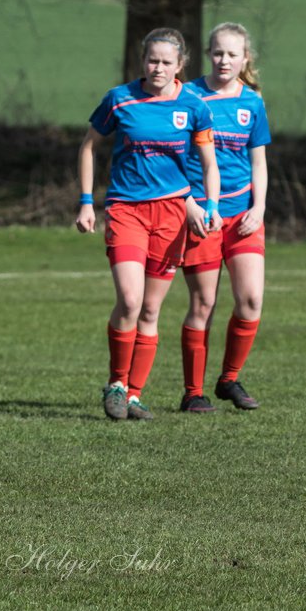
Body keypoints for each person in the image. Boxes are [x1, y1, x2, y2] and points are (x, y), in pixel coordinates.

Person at [76, 27, 221, 420]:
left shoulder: (194, 105)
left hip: (172, 215)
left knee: (151, 311)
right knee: (129, 299)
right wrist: (88, 201)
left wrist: (211, 206)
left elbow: (208, 162)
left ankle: (135, 393)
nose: (157, 68)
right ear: (143, 61)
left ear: (181, 66)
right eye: (151, 60)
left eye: (166, 62)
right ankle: (117, 384)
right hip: (126, 210)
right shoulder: (119, 100)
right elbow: (89, 146)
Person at [177, 23, 271, 413]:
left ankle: (228, 380)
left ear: (245, 58)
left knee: (250, 300)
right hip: (201, 214)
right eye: (218, 53)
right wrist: (190, 206)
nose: (224, 60)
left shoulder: (253, 103)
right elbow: (171, 159)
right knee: (204, 303)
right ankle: (192, 392)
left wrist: (259, 207)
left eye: (232, 54)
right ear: (208, 54)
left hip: (244, 216)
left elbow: (259, 162)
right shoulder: (188, 97)